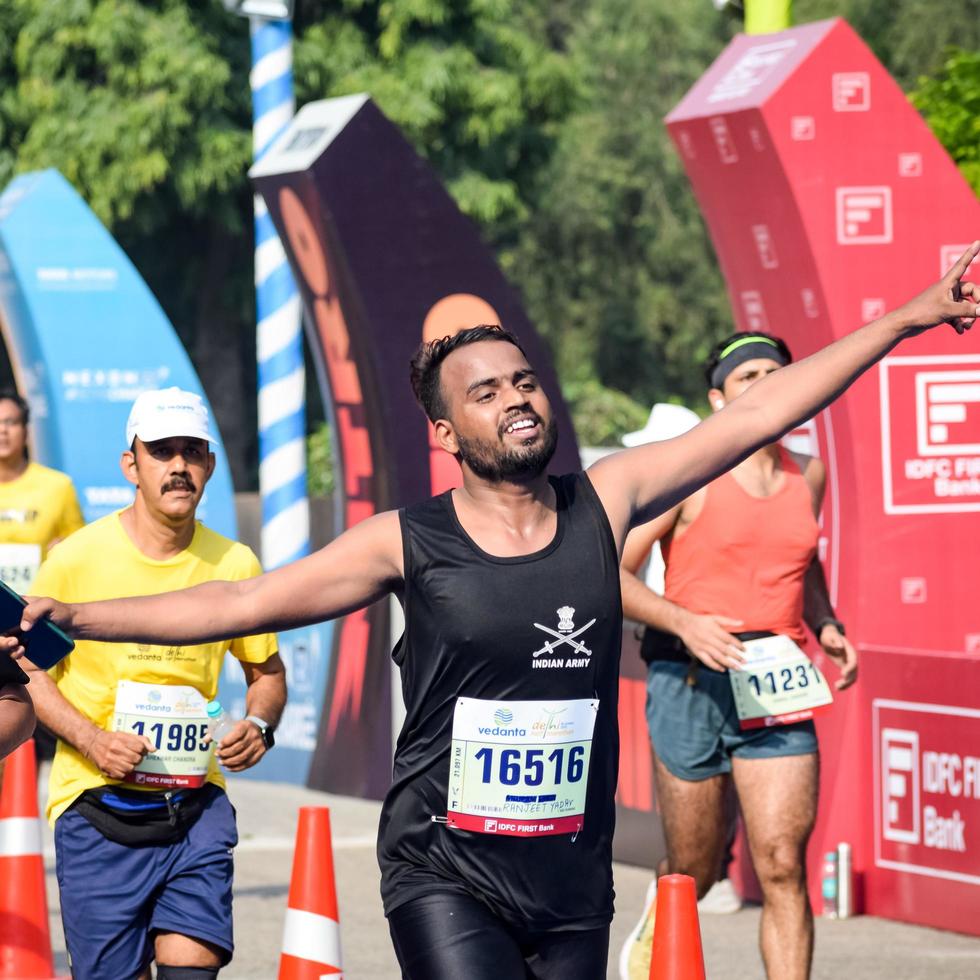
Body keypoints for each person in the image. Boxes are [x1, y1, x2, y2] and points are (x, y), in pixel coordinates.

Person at [9, 247, 979, 979]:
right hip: (443, 867)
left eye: (523, 381)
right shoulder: (407, 540)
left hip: (568, 874)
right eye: (485, 392)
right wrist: (84, 618)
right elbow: (243, 597)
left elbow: (754, 417)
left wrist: (906, 316)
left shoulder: (601, 500)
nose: (515, 398)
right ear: (443, 432)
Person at [18, 387, 286, 980]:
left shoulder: (235, 564)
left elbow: (265, 671)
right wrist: (90, 739)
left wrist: (260, 723)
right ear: (130, 464)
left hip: (194, 804)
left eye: (192, 451)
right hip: (95, 806)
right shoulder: (76, 560)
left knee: (193, 966)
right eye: (161, 451)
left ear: (210, 465)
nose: (178, 466)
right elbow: (29, 673)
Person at [618, 332, 857, 980]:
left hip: (775, 683)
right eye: (747, 376)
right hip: (689, 678)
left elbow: (801, 562)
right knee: (693, 871)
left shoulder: (807, 471)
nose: (764, 384)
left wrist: (825, 620)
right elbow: (612, 573)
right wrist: (683, 622)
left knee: (781, 863)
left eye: (775, 373)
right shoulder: (685, 472)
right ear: (718, 398)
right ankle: (652, 944)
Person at [0, 389, 84, 781]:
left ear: (26, 430)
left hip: (33, 629)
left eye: (11, 422)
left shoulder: (57, 487)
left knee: (26, 736)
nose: (2, 431)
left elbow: (75, 556)